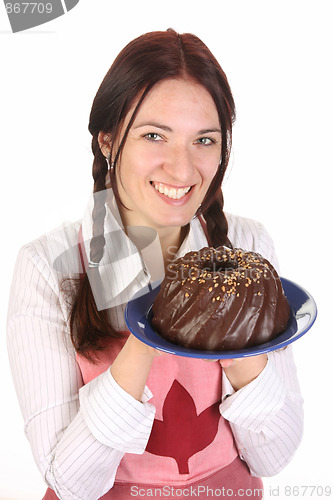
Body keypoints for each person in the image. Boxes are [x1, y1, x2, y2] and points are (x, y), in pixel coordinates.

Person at [7, 29, 303, 500]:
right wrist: (150, 328)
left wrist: (228, 318)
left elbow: (274, 456)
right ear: (107, 141)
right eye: (153, 136)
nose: (183, 171)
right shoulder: (51, 266)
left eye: (204, 140)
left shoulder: (248, 245)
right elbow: (70, 482)